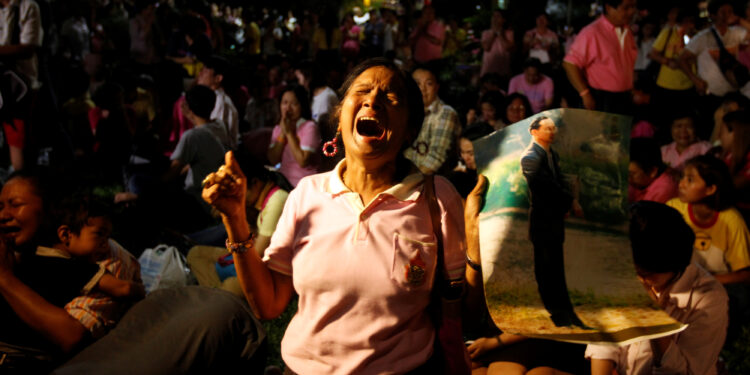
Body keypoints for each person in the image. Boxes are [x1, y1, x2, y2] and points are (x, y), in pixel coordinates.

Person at [202, 58, 467, 373]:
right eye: (363, 92)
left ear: (410, 130)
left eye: (391, 98)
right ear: (340, 118)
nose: (373, 101)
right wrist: (234, 219)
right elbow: (268, 304)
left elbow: (457, 309)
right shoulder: (306, 194)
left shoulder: (436, 199)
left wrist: (476, 249)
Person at [586, 201, 728, 375]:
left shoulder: (708, 299)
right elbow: (604, 338)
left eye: (644, 274)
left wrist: (656, 324)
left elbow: (688, 372)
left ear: (673, 266)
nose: (636, 280)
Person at [520, 116, 586, 328]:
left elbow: (558, 182)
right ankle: (558, 316)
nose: (552, 132)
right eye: (547, 128)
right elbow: (546, 187)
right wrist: (571, 202)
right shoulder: (530, 157)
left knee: (556, 269)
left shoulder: (551, 154)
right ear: (534, 131)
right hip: (542, 219)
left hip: (554, 218)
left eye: (553, 128)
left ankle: (567, 315)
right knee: (546, 269)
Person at [666, 155, 750, 285]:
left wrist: (704, 281)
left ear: (710, 189)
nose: (681, 184)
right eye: (682, 177)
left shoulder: (731, 220)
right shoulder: (673, 208)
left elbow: (745, 275)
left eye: (690, 180)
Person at [678, 0, 750, 139]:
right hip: (711, 94)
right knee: (711, 131)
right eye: (723, 12)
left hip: (732, 91)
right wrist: (695, 79)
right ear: (713, 15)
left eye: (730, 12)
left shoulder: (735, 33)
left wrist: (740, 20)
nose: (727, 16)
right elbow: (682, 59)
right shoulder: (703, 37)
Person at [563, 0, 637, 114]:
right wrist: (585, 93)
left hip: (624, 97)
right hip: (602, 99)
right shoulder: (592, 32)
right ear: (608, 8)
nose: (631, 11)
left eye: (633, 7)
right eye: (626, 8)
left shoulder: (627, 31)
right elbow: (570, 64)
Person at [405, 64, 461, 175]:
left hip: (432, 184)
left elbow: (436, 157)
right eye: (417, 83)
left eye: (429, 84)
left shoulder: (445, 113)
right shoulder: (405, 111)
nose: (422, 89)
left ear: (436, 87)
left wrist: (407, 184)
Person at [267, 85, 320, 187]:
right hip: (283, 181)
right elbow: (273, 160)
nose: (288, 108)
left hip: (303, 184)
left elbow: (302, 161)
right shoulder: (278, 129)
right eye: (285, 103)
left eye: (294, 104)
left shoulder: (310, 127)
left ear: (302, 106)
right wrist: (283, 133)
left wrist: (289, 133)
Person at [197, 55, 239, 150]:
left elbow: (214, 135)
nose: (200, 74)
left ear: (218, 78)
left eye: (205, 71)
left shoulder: (220, 102)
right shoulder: (212, 98)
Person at [629, 137, 678, 203]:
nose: (628, 179)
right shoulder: (640, 182)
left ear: (652, 171)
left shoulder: (662, 190)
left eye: (631, 174)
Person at [481, 9, 514, 79]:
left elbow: (507, 47)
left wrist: (500, 34)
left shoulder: (509, 33)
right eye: (493, 16)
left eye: (498, 16)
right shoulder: (485, 33)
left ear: (503, 20)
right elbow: (486, 47)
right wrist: (493, 34)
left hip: (503, 72)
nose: (495, 19)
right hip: (488, 71)